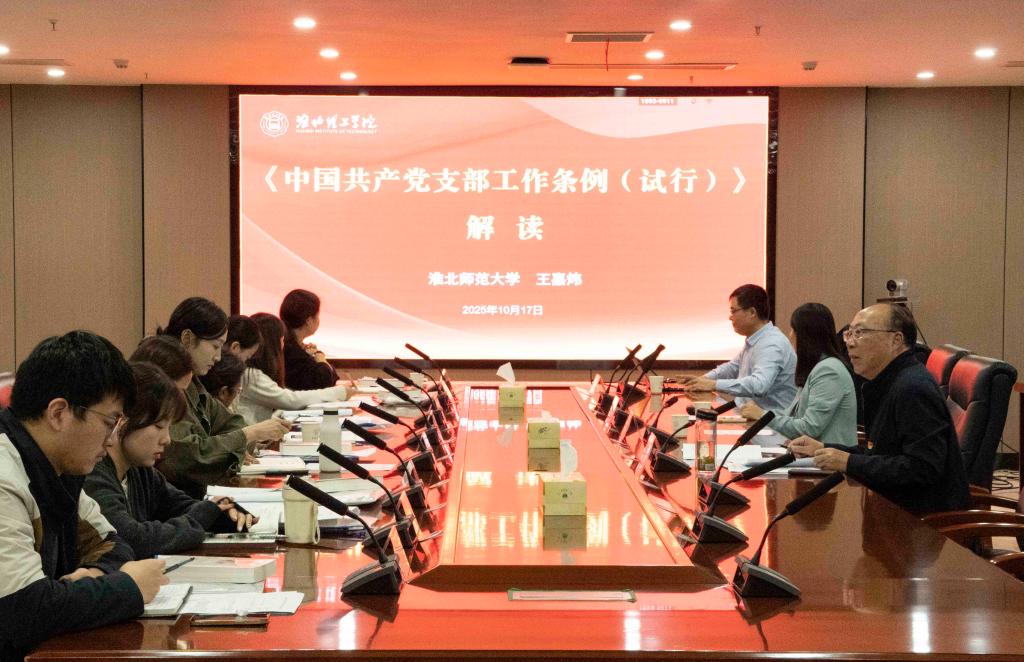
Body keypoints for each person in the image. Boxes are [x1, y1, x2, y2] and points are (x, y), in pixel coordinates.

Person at [0, 332, 166, 658]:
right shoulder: (6, 476)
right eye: (110, 421)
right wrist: (128, 587)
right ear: (58, 413)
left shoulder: (60, 470)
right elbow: (22, 609)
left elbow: (114, 544)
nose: (111, 439)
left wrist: (93, 576)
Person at [789, 303, 971, 515]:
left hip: (922, 523)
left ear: (896, 340)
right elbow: (880, 453)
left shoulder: (913, 389)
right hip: (891, 510)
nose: (849, 343)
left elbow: (923, 468)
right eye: (849, 333)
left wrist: (848, 462)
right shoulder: (887, 381)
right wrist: (823, 447)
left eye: (861, 333)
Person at [84, 362, 255, 560]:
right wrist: (202, 516)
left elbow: (183, 506)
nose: (167, 439)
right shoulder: (94, 474)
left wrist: (221, 511)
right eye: (159, 426)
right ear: (122, 421)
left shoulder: (140, 471)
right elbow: (132, 538)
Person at [155, 297, 289, 498]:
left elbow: (230, 422)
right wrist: (247, 435)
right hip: (178, 498)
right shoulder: (161, 380)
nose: (218, 357)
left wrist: (235, 442)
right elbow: (187, 456)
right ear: (187, 338)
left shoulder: (192, 381)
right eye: (215, 346)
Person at [739, 303, 857, 447]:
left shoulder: (829, 371)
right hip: (810, 455)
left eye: (793, 330)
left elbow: (809, 428)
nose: (790, 335)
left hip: (826, 458)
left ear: (805, 336)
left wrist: (762, 415)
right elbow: (791, 415)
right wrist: (762, 413)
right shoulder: (817, 367)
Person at [679, 284, 797, 411]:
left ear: (752, 312)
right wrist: (703, 380)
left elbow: (759, 385)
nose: (730, 317)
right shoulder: (757, 339)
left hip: (768, 420)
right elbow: (733, 367)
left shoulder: (771, 344)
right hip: (748, 414)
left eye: (733, 311)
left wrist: (714, 385)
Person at [236, 313, 349, 424]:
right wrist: (339, 392)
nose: (283, 345)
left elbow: (286, 397)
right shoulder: (250, 375)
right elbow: (290, 400)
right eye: (282, 340)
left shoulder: (253, 372)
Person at [280, 289, 339, 390]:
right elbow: (324, 381)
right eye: (317, 315)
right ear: (308, 320)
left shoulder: (294, 347)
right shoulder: (292, 352)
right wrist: (320, 359)